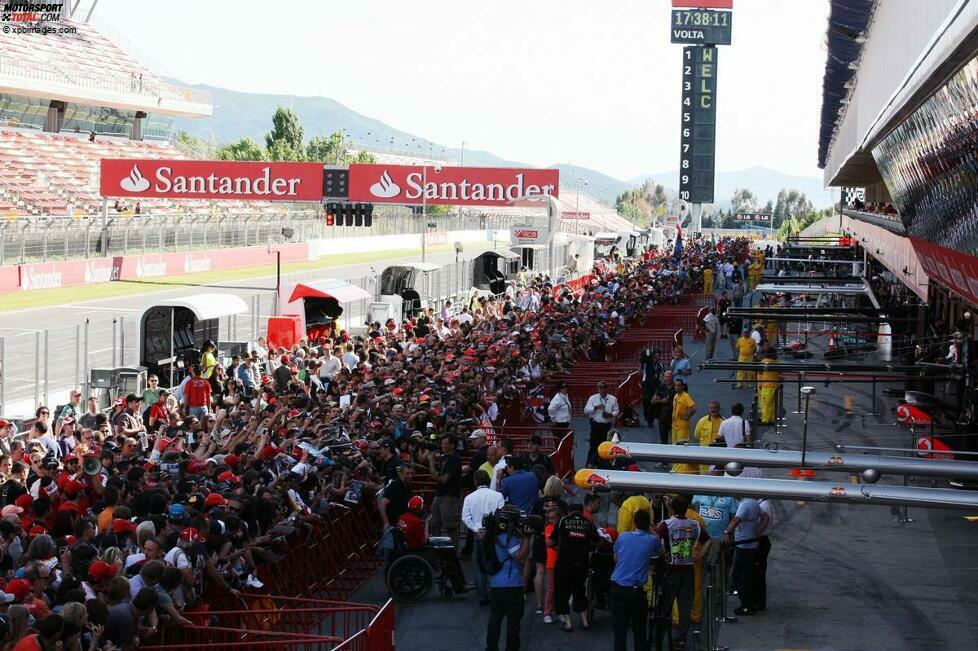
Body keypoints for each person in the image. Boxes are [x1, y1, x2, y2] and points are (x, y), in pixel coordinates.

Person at [654, 495, 711, 649]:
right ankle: (681, 639)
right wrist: (699, 555)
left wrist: (662, 553)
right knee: (685, 607)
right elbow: (708, 540)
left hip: (671, 569)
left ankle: (659, 637)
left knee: (665, 606)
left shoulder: (666, 524)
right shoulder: (694, 524)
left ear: (672, 509)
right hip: (688, 569)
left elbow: (655, 541)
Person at [609, 508, 661, 651]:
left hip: (617, 587)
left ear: (634, 522)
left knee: (619, 630)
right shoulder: (652, 540)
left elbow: (616, 558)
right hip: (635, 591)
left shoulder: (623, 537)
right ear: (649, 524)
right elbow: (661, 552)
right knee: (639, 630)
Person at [484, 506, 531, 651]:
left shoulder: (491, 536)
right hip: (512, 585)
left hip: (496, 584)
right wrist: (527, 538)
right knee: (513, 623)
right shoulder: (507, 538)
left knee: (495, 620)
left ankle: (491, 648)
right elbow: (520, 556)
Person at [551, 502, 598, 631]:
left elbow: (551, 541)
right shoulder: (587, 523)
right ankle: (584, 622)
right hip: (581, 564)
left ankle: (568, 623)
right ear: (582, 511)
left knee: (562, 592)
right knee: (579, 592)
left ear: (569, 511)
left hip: (564, 563)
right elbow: (596, 540)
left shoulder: (563, 521)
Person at [462, 469, 504, 605]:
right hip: (493, 536)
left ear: (475, 482)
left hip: (479, 535)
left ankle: (482, 597)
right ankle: (495, 595)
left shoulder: (469, 498)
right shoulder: (498, 496)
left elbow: (465, 517)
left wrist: (476, 529)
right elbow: (501, 515)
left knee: (480, 567)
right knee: (493, 563)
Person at [723, 496, 768, 616]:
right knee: (747, 576)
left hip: (743, 546)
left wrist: (727, 533)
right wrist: (757, 532)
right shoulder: (753, 503)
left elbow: (736, 520)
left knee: (736, 576)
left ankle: (747, 604)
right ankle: (749, 603)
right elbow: (765, 517)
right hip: (750, 544)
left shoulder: (745, 505)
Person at [429, 434, 462, 545]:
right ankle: (438, 549)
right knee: (434, 524)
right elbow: (434, 474)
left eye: (444, 443)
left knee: (450, 526)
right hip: (439, 494)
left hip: (449, 496)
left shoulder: (455, 459)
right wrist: (431, 459)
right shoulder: (444, 458)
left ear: (452, 445)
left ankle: (454, 554)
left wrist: (437, 477)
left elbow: (444, 479)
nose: (442, 445)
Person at [584, 382, 619, 466]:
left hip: (607, 426)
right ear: (598, 389)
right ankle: (589, 466)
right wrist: (595, 408)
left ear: (607, 389)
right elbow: (586, 411)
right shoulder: (593, 398)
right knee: (593, 446)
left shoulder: (613, 399)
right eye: (600, 388)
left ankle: (602, 466)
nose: (602, 390)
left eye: (604, 388)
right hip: (595, 425)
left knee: (605, 447)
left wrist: (610, 414)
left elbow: (616, 411)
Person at [755, 497, 775, 611]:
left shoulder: (763, 505)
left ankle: (759, 602)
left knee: (758, 573)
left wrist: (754, 534)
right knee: (758, 573)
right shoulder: (763, 503)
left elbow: (765, 519)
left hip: (760, 540)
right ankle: (759, 601)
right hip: (762, 540)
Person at [650, 371, 675, 446]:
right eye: (666, 377)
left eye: (669, 377)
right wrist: (662, 400)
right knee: (663, 440)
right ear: (664, 378)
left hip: (674, 417)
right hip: (663, 417)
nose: (667, 378)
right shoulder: (660, 388)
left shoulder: (676, 387)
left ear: (672, 377)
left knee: (675, 439)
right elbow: (652, 401)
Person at [757, 348, 780, 425]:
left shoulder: (765, 361)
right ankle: (772, 419)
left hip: (767, 385)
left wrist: (760, 384)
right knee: (772, 403)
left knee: (765, 403)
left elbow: (760, 372)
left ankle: (765, 420)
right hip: (775, 385)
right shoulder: (777, 362)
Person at [670, 378, 696, 445]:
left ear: (683, 386)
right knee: (674, 446)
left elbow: (694, 407)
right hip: (675, 427)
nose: (677, 387)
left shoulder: (686, 396)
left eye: (679, 385)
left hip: (682, 428)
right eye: (675, 385)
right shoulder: (676, 396)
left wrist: (687, 416)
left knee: (681, 447)